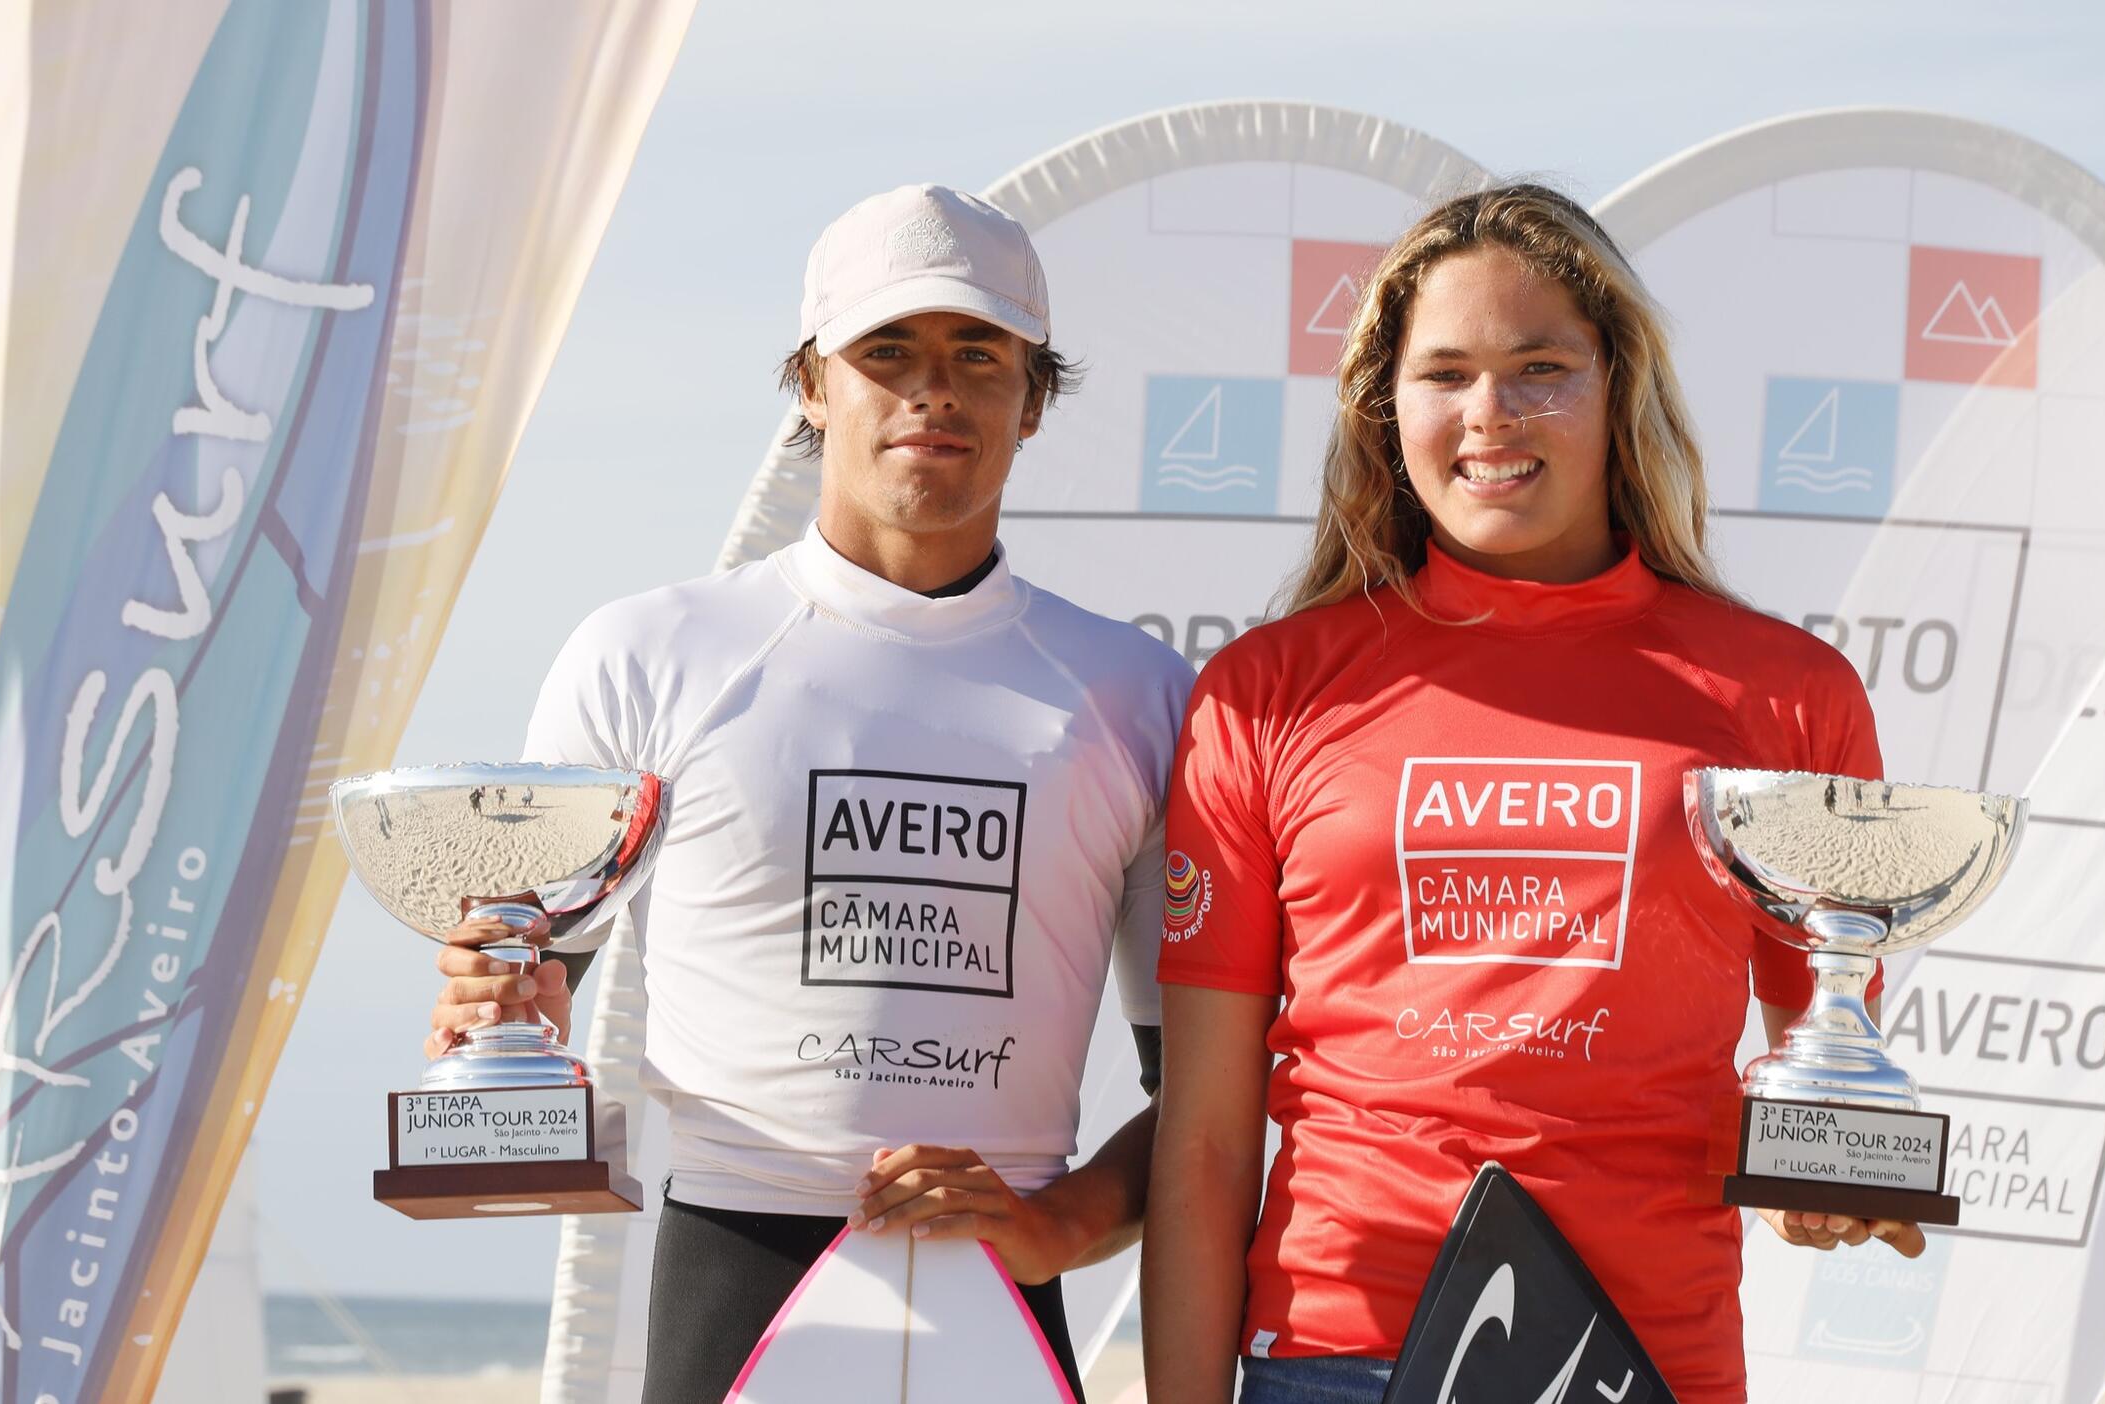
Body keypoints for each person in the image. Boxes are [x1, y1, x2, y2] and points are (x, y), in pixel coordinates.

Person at [1140, 184, 1921, 1404]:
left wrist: (1826, 1183)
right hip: (1342, 1356)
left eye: (1541, 367)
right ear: (1381, 406)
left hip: (1642, 1359)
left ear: (1619, 391)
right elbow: (1201, 1143)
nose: (1489, 415)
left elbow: (1819, 1045)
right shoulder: (1266, 693)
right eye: (1443, 373)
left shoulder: (1782, 697)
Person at [425, 184, 1191, 1403]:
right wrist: (489, 997)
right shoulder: (648, 655)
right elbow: (518, 999)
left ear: (1032, 399)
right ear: (811, 383)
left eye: (977, 354)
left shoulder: (1142, 695)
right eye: (884, 350)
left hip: (1002, 1300)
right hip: (733, 1267)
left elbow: (1205, 1096)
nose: (931, 389)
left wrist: (1055, 1230)